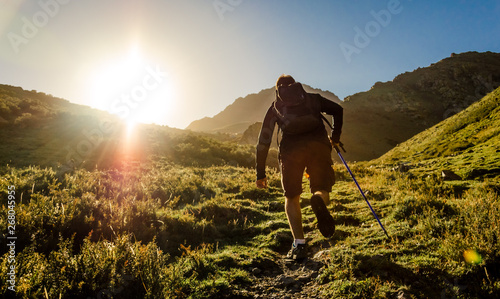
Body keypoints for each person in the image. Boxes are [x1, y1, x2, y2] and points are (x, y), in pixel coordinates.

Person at [255, 74, 343, 261]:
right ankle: (318, 199)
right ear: (295, 85)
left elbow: (263, 141)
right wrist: (335, 137)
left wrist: (260, 173)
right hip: (318, 147)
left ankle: (299, 244)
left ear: (278, 89)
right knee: (321, 188)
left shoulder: (275, 108)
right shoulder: (312, 99)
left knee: (291, 196)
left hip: (290, 153)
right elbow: (337, 110)